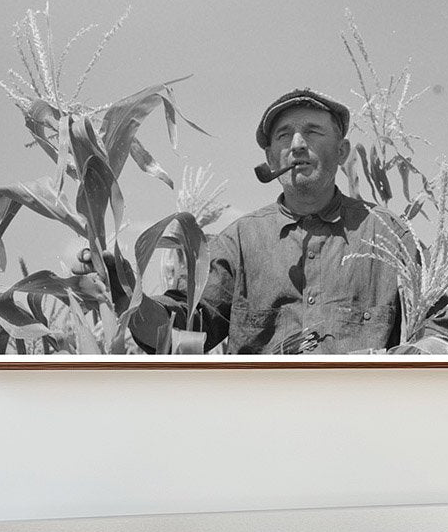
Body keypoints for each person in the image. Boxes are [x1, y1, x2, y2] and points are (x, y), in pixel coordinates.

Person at [81, 88, 403, 354]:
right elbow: (176, 337)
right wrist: (126, 292)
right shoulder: (239, 242)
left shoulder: (390, 236)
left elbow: (437, 328)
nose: (297, 144)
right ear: (270, 159)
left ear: (342, 151)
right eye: (283, 135)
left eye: (313, 132)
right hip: (259, 422)